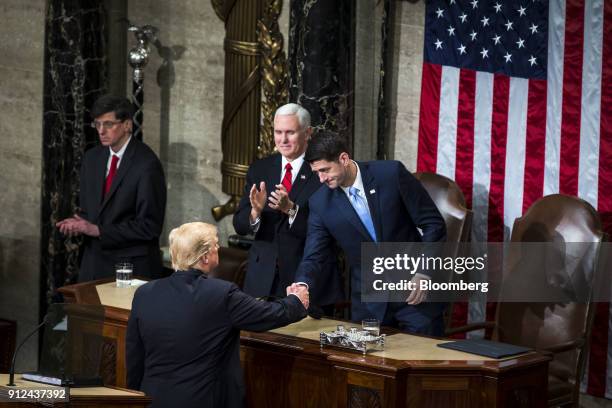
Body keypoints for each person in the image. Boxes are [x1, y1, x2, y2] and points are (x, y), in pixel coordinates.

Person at [126, 222, 308, 408]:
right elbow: (268, 315)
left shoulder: (144, 294)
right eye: (215, 244)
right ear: (205, 256)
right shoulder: (222, 293)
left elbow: (134, 358)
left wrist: (135, 399)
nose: (219, 247)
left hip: (152, 399)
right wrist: (296, 300)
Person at [295, 131, 447, 336]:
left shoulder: (391, 174)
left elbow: (433, 224)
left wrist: (424, 272)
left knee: (422, 363)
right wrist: (303, 284)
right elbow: (314, 254)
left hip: (415, 297)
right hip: (370, 304)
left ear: (344, 158)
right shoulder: (320, 203)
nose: (321, 178)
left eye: (325, 170)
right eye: (316, 173)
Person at [233, 103, 340, 306]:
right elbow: (239, 225)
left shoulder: (322, 171)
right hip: (261, 279)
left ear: (307, 132)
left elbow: (329, 230)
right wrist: (255, 212)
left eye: (290, 132)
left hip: (303, 279)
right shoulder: (260, 168)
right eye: (278, 132)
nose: (282, 140)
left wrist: (290, 209)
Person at [56, 95, 167, 281]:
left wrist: (98, 230)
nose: (101, 131)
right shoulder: (92, 159)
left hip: (130, 269)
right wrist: (78, 224)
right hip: (93, 265)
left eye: (108, 124)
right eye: (97, 124)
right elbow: (91, 213)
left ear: (127, 125)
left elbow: (149, 227)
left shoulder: (147, 165)